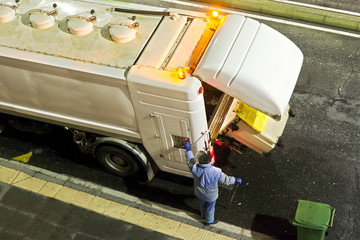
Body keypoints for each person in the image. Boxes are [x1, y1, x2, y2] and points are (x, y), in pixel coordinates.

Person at [184, 141, 242, 226]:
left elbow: (190, 160)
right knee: (210, 208)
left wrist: (188, 149)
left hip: (199, 193)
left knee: (202, 204)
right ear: (208, 160)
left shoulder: (194, 168)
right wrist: (235, 179)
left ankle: (203, 215)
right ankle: (209, 221)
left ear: (199, 161)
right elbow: (226, 180)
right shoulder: (216, 171)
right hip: (211, 195)